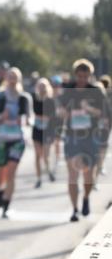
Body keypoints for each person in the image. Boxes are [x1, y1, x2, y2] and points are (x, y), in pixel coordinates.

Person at [57, 59, 111, 221]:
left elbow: (103, 114)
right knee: (72, 175)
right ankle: (74, 209)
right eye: (79, 76)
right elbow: (60, 111)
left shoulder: (96, 91)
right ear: (75, 75)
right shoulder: (68, 90)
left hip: (90, 136)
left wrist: (88, 109)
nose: (82, 79)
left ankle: (86, 198)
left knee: (88, 175)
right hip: (72, 136)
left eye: (85, 76)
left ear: (90, 76)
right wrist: (63, 112)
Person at [0, 67, 32, 218]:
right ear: (6, 79)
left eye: (15, 77)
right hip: (1, 139)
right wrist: (1, 116)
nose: (12, 80)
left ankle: (6, 204)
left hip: (17, 140)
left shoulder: (24, 98)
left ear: (19, 80)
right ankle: (1, 190)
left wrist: (24, 121)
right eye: (10, 77)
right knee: (1, 173)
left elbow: (29, 119)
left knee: (11, 172)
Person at [32, 78, 59, 187]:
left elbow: (53, 116)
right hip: (37, 129)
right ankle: (39, 179)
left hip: (48, 130)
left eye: (44, 85)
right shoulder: (34, 99)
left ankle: (49, 171)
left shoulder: (51, 100)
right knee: (38, 155)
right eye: (40, 85)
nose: (42, 88)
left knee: (45, 155)